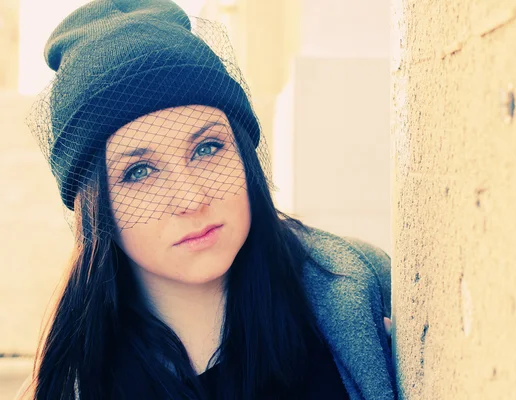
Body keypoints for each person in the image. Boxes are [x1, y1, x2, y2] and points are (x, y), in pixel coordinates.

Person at [16, 0, 396, 399]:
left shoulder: (356, 288)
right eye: (140, 172)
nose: (191, 198)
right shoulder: (72, 385)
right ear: (97, 208)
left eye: (207, 148)